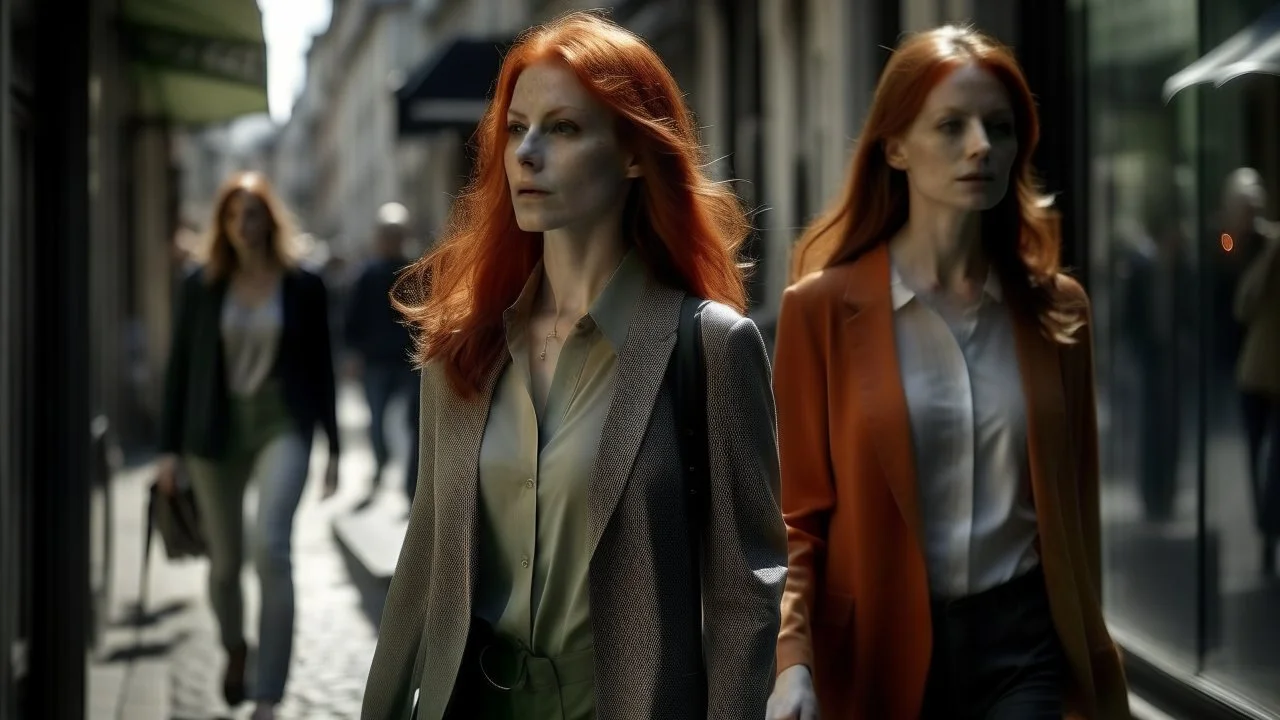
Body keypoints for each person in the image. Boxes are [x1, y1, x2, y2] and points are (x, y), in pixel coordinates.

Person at [360, 11, 787, 720]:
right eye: (517, 127)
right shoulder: (464, 348)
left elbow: (748, 594)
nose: (527, 153)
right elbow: (427, 555)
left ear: (630, 153)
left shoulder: (711, 347)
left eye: (562, 128)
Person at [765, 25, 1130, 720]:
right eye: (951, 126)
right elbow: (795, 524)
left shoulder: (1060, 311)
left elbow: (1076, 511)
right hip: (877, 649)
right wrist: (793, 666)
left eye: (998, 127)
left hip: (1024, 646)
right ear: (895, 146)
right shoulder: (819, 311)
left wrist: (1091, 657)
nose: (981, 147)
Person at [157, 171, 341, 720]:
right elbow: (180, 369)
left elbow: (322, 367)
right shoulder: (200, 284)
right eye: (233, 215)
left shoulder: (303, 284)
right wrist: (169, 450)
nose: (244, 224)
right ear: (223, 223)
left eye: (253, 213)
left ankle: (268, 691)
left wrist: (332, 446)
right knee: (224, 565)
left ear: (269, 219)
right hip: (213, 432)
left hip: (281, 424)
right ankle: (236, 645)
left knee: (272, 548)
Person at [344, 202, 421, 504]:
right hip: (376, 362)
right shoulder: (365, 276)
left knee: (416, 422)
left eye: (397, 234)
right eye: (387, 234)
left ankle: (411, 484)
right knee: (375, 420)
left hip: (410, 361)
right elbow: (352, 318)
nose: (391, 240)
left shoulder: (416, 272)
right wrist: (353, 353)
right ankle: (381, 462)